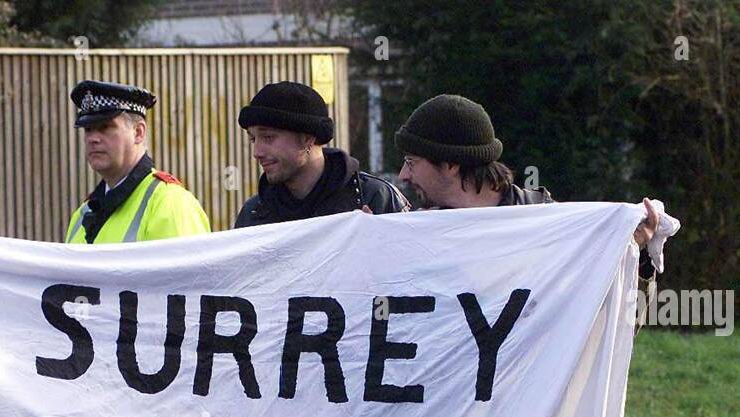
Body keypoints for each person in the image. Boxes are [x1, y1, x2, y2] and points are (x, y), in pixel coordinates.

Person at [395, 94, 659, 281]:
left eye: (411, 162)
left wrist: (631, 256)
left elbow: (606, 319)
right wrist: (374, 250)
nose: (403, 174)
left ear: (451, 164)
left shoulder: (546, 224)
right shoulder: (421, 229)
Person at [234, 81, 408, 227]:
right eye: (253, 139)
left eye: (268, 137)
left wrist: (375, 242)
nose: (257, 152)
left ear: (308, 139)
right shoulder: (253, 214)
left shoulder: (375, 197)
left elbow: (413, 261)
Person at [64, 80, 210, 244]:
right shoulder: (83, 213)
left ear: (138, 132)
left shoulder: (170, 203)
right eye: (88, 130)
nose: (92, 139)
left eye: (105, 127)